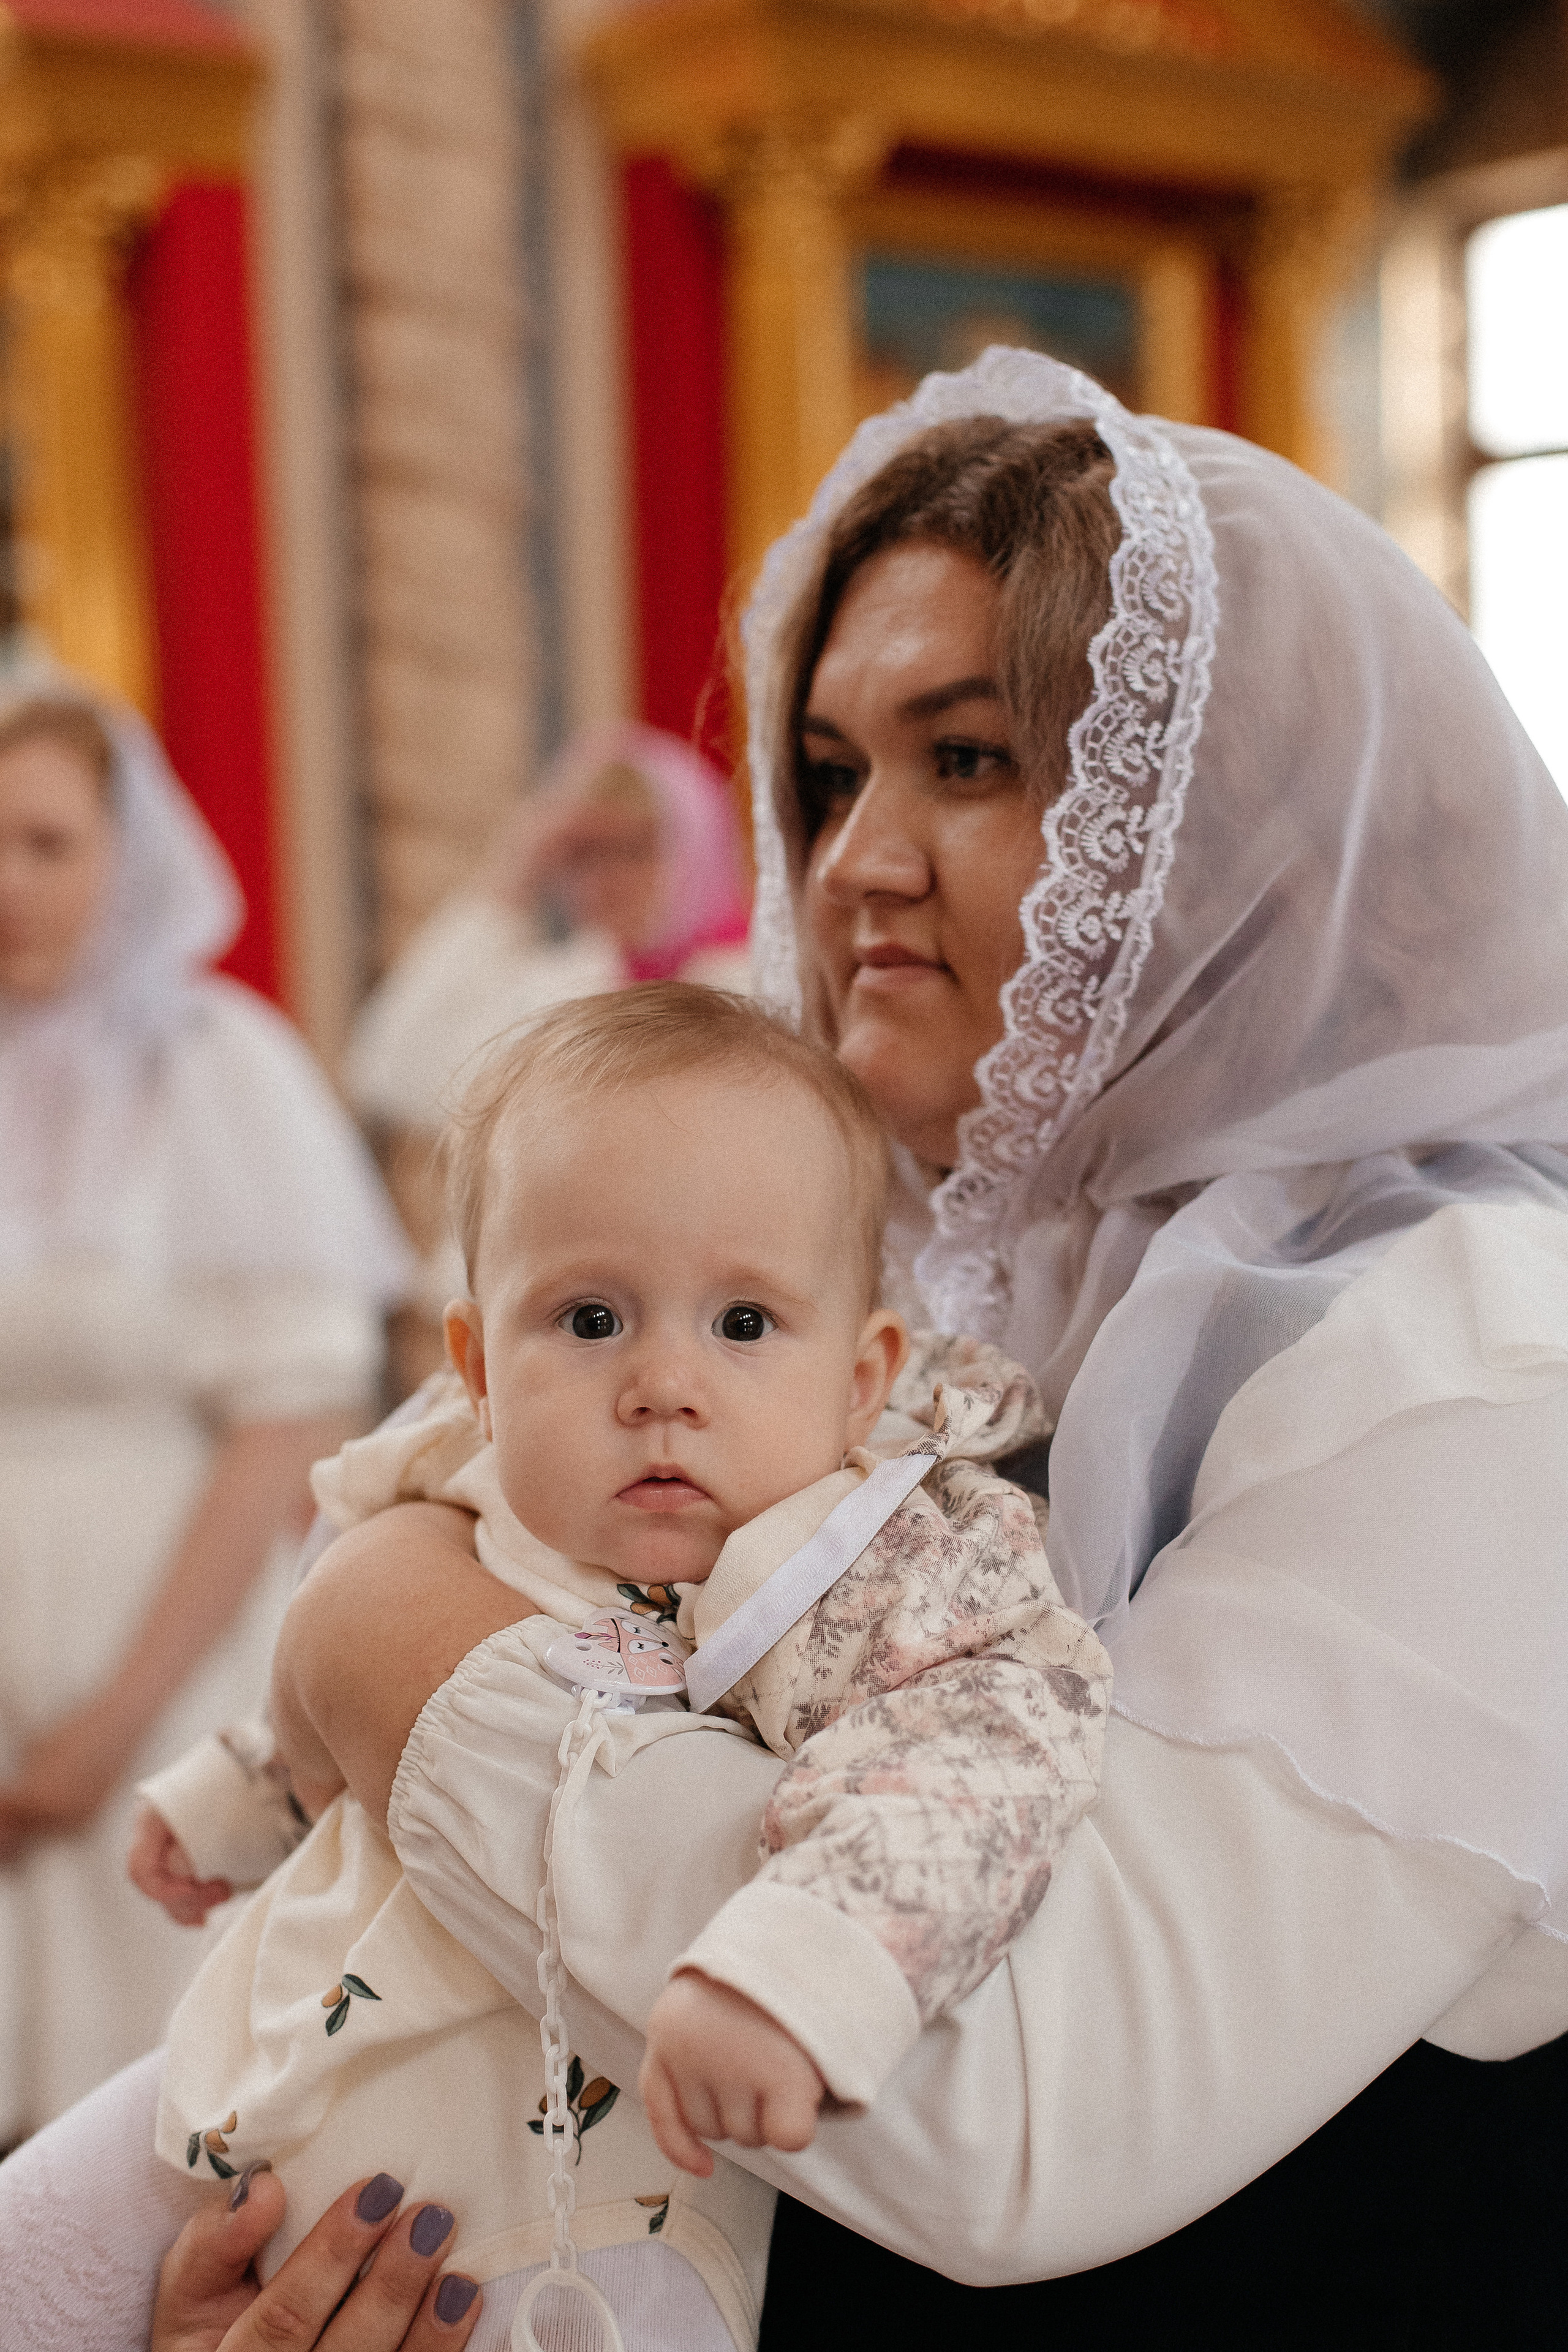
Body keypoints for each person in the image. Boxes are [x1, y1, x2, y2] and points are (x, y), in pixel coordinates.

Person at [7, 346, 1568, 2348]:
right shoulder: (888, 1260)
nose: (855, 862)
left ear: (1228, 821)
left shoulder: (1480, 1360)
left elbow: (1013, 2117)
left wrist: (393, 1649)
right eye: (830, 774)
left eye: (973, 759)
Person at [137, 986, 1107, 2347]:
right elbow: (317, 1698)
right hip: (294, 2081)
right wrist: (231, 1801)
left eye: (744, 1324)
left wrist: (801, 1965)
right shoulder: (464, 1483)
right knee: (47, 2249)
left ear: (858, 1372)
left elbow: (977, 1761)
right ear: (476, 1365)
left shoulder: (856, 1560)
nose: (661, 1383)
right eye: (589, 1322)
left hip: (591, 2200)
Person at [0, 676, 412, 2144]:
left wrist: (104, 1724)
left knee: (163, 2129)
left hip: (163, 1683)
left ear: (125, 856)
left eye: (46, 842)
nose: (10, 881)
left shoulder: (218, 1066)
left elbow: (287, 1421)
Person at [345, 726, 751, 1383]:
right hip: (530, 1348)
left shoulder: (757, 991)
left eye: (633, 850)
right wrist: (510, 874)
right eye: (581, 855)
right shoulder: (559, 988)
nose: (606, 880)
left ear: (695, 848)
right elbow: (392, 1067)